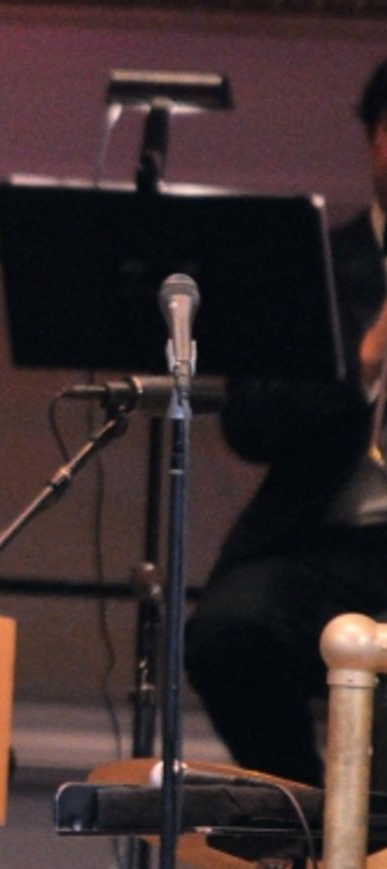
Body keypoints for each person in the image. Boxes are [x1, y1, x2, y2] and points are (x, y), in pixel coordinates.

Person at [185, 57, 387, 787]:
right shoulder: (318, 267)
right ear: (372, 141)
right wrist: (364, 359)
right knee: (226, 634)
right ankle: (299, 825)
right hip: (327, 541)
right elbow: (250, 423)